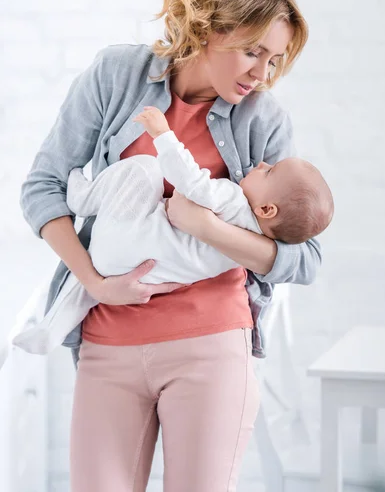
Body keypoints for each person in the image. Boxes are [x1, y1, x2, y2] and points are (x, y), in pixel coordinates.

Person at [19, 0, 323, 492]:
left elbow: (304, 258)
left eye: (273, 60)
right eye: (253, 52)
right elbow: (42, 188)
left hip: (211, 343)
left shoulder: (264, 121)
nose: (261, 75)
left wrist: (207, 228)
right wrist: (94, 283)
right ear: (208, 27)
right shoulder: (117, 75)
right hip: (109, 339)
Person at [13, 106, 333, 356]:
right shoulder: (250, 246)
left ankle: (82, 197)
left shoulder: (234, 203)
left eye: (270, 171)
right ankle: (50, 329)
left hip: (124, 243)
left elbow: (189, 180)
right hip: (143, 273)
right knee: (92, 276)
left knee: (146, 169)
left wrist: (163, 135)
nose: (261, 164)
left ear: (266, 209)